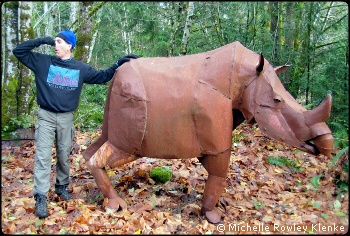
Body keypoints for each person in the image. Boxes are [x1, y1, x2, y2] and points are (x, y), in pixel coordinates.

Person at [12, 29, 139, 219]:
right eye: (54, 41)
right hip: (46, 116)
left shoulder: (80, 69)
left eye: (60, 42)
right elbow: (18, 51)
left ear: (70, 45)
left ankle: (61, 187)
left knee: (64, 155)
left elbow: (103, 76)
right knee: (43, 156)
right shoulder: (42, 62)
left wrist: (118, 63)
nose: (56, 45)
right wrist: (42, 40)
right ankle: (40, 196)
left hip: (66, 118)